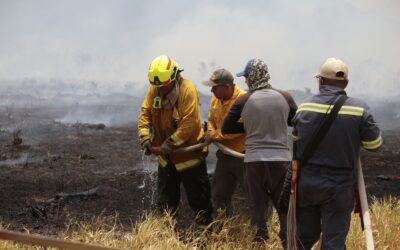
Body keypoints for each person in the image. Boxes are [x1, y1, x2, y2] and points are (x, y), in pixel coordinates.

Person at [292, 57, 382, 249]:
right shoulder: (360, 109)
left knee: (303, 240)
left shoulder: (304, 107)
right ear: (346, 83)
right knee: (334, 242)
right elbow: (374, 144)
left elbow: (295, 144)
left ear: (321, 81)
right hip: (339, 187)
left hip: (307, 185)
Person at [221, 59, 297, 244]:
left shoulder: (244, 100)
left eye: (247, 77)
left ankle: (259, 243)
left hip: (254, 162)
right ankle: (289, 243)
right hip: (281, 161)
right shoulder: (285, 97)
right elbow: (295, 121)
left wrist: (250, 126)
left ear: (252, 77)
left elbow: (226, 128)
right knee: (284, 209)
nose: (246, 80)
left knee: (257, 210)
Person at [138, 55, 213, 225]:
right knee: (165, 202)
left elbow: (190, 123)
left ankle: (205, 236)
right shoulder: (155, 89)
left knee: (200, 201)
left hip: (189, 158)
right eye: (157, 86)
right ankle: (166, 235)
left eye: (164, 85)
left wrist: (169, 144)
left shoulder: (187, 90)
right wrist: (144, 138)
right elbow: (145, 114)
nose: (161, 89)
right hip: (167, 160)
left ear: (174, 77)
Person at [201, 68, 246, 216]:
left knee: (253, 194)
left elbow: (238, 129)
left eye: (214, 87)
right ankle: (223, 228)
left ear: (226, 87)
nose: (212, 90)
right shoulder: (216, 99)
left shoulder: (243, 100)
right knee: (219, 194)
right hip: (225, 156)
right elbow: (211, 119)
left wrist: (213, 135)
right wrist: (211, 131)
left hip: (243, 156)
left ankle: (258, 229)